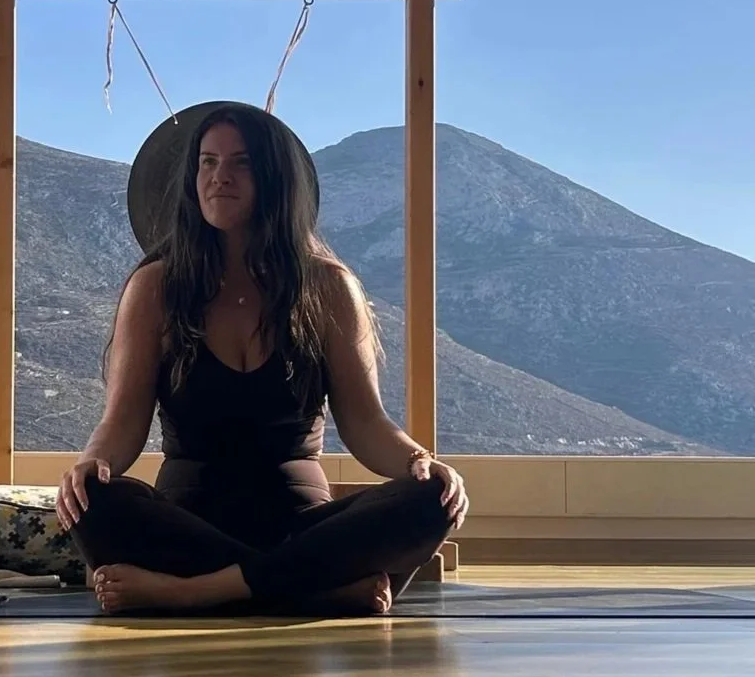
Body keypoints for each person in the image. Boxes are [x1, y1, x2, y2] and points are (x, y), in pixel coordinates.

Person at [55, 101, 468, 615]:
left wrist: (419, 462)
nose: (220, 177)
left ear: (275, 179)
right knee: (96, 502)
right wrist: (90, 465)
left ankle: (198, 592)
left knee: (431, 501)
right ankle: (316, 588)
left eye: (241, 162)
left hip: (299, 521)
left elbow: (366, 423)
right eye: (208, 162)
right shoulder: (156, 286)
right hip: (190, 521)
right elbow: (122, 421)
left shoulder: (329, 287)